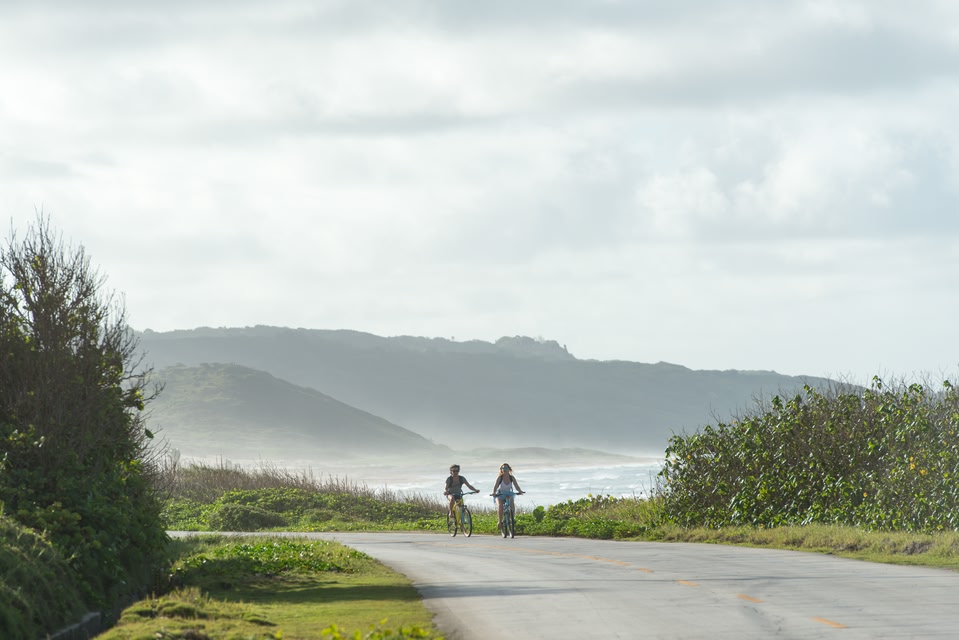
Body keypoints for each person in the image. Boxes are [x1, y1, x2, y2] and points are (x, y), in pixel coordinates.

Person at [492, 462, 524, 530]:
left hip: (509, 494)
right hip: (500, 494)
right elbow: (495, 486)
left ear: (509, 469)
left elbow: (516, 486)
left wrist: (520, 491)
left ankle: (512, 518)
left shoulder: (512, 478)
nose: (504, 469)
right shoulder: (500, 478)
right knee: (500, 506)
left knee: (512, 502)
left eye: (506, 468)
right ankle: (500, 522)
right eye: (503, 468)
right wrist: (494, 492)